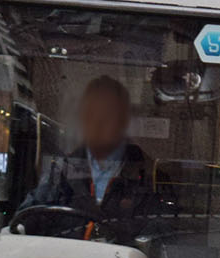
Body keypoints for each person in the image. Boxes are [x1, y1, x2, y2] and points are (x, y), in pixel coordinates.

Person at [19, 75, 153, 234]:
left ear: (123, 121)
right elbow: (26, 220)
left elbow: (161, 235)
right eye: (91, 113)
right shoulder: (60, 173)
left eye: (107, 114)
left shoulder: (150, 177)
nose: (98, 122)